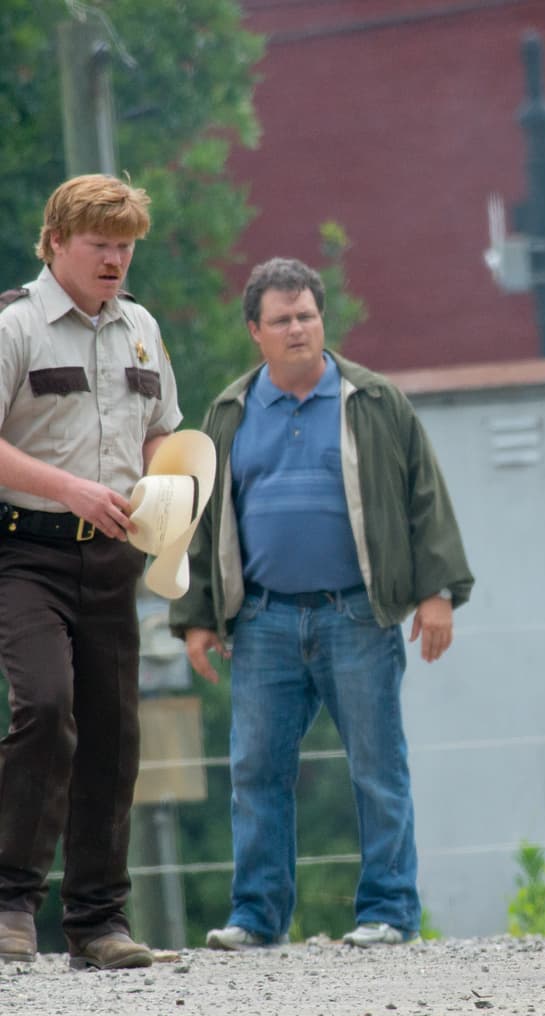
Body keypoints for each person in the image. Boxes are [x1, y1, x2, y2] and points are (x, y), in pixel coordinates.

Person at [170, 257, 473, 951]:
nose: (298, 328)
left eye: (307, 314)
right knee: (255, 771)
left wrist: (436, 594)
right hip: (263, 620)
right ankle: (256, 917)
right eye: (282, 319)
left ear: (321, 318)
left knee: (377, 766)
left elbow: (423, 497)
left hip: (358, 615)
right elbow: (206, 517)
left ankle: (389, 912)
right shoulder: (229, 412)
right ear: (256, 331)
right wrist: (196, 619)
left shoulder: (373, 400)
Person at [0, 174, 181, 970]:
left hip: (114, 557)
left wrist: (168, 494)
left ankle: (98, 923)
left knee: (113, 732)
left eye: (126, 244)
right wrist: (70, 486)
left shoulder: (141, 328)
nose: (116, 258)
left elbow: (162, 433)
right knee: (47, 706)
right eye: (101, 243)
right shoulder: (16, 327)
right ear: (56, 243)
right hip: (25, 551)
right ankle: (9, 905)